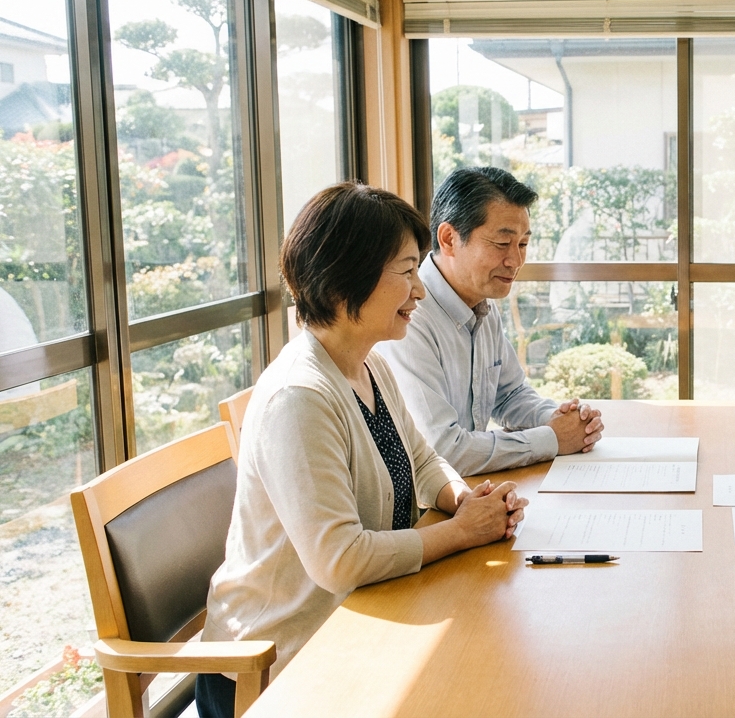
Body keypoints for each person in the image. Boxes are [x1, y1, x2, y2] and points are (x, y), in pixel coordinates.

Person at [197, 183, 528, 718]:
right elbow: (340, 560)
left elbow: (423, 459)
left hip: (357, 616)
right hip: (276, 664)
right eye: (404, 272)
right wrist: (464, 530)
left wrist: (462, 498)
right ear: (346, 277)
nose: (418, 291)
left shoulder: (368, 362)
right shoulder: (299, 398)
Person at [376, 166, 604, 476]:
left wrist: (561, 419)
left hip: (470, 492)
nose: (515, 261)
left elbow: (510, 395)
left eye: (522, 244)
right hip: (425, 508)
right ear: (449, 239)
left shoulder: (482, 302)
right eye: (501, 244)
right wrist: (551, 439)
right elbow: (443, 450)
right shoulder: (409, 316)